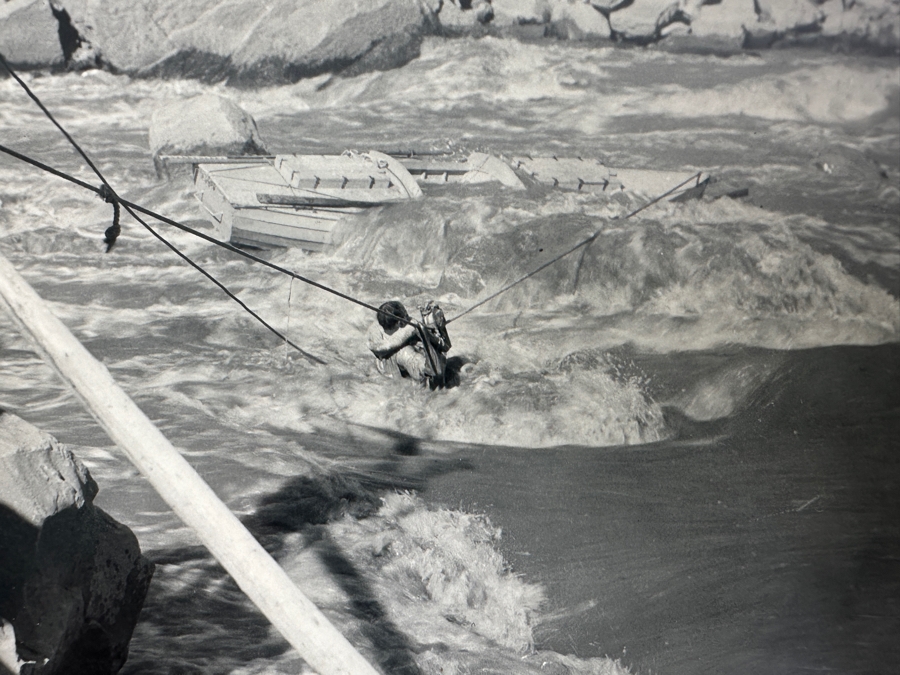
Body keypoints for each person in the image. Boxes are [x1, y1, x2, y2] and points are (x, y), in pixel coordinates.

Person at [367, 300, 451, 387]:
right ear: (399, 323)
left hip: (398, 367)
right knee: (434, 375)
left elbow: (445, 347)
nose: (409, 319)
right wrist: (424, 336)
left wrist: (430, 333)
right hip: (411, 377)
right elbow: (436, 372)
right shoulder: (404, 352)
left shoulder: (376, 327)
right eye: (406, 317)